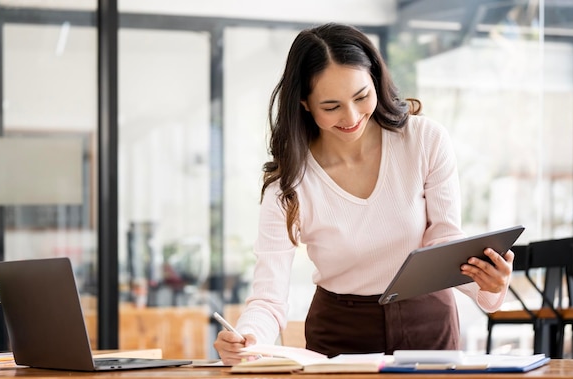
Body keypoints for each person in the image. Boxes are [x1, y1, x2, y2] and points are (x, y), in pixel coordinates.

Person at [214, 22, 514, 364]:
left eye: (361, 96)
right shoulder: (290, 186)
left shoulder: (424, 141)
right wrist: (248, 340)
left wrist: (488, 287)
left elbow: (441, 239)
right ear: (304, 104)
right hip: (340, 331)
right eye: (331, 107)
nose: (352, 117)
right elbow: (269, 297)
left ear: (375, 79)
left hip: (427, 322)